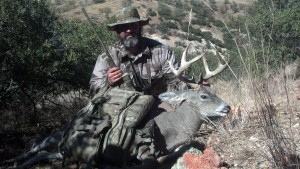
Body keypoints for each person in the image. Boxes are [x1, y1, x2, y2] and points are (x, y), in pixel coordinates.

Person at [88, 6, 179, 165]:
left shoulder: (161, 51)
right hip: (120, 109)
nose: (129, 30)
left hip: (155, 104)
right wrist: (107, 82)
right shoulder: (106, 57)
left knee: (176, 124)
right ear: (117, 31)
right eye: (123, 27)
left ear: (140, 27)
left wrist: (194, 89)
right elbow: (93, 90)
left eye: (134, 25)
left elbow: (177, 81)